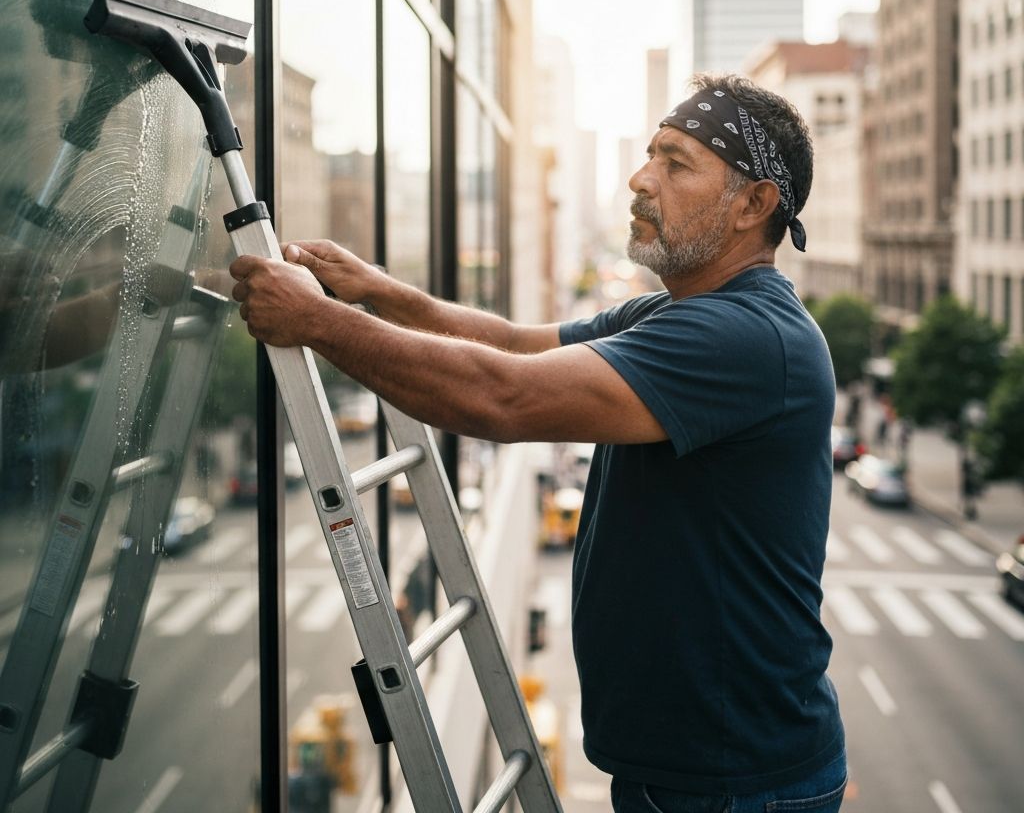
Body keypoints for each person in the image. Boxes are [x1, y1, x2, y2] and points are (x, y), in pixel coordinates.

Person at [230, 72, 846, 812]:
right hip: (703, 770)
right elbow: (519, 346)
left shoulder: (746, 337)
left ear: (754, 205)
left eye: (676, 163)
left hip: (734, 785)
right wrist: (378, 292)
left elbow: (503, 396)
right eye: (650, 154)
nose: (640, 178)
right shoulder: (679, 313)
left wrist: (318, 323)